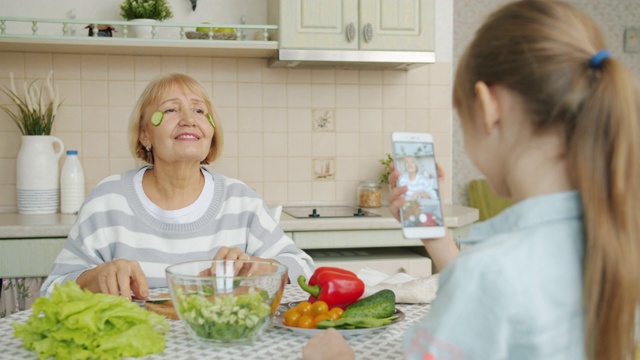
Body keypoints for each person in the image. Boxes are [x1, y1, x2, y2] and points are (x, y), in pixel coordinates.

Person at [303, 1, 640, 359]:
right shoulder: (617, 241)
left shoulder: (489, 274)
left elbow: (491, 288)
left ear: (487, 106)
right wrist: (437, 239)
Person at [41, 73, 314, 300]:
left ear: (211, 132)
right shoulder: (107, 200)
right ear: (145, 133)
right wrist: (96, 277)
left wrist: (262, 269)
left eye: (199, 110)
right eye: (171, 109)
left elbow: (305, 271)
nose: (188, 119)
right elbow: (51, 290)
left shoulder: (242, 201)